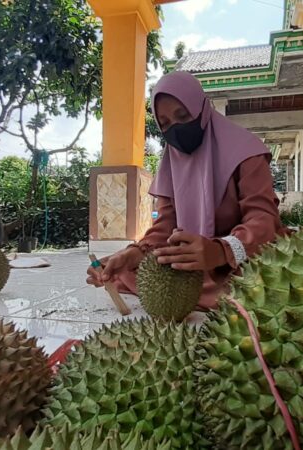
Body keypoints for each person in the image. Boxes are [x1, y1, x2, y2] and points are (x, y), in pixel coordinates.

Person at [86, 71, 288, 310]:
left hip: (241, 259)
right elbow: (166, 225)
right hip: (191, 266)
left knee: (262, 288)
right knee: (128, 273)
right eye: (165, 124)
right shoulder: (172, 160)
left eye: (182, 115)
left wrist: (220, 251)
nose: (176, 128)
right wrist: (133, 254)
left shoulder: (245, 151)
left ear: (202, 109)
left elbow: (263, 221)